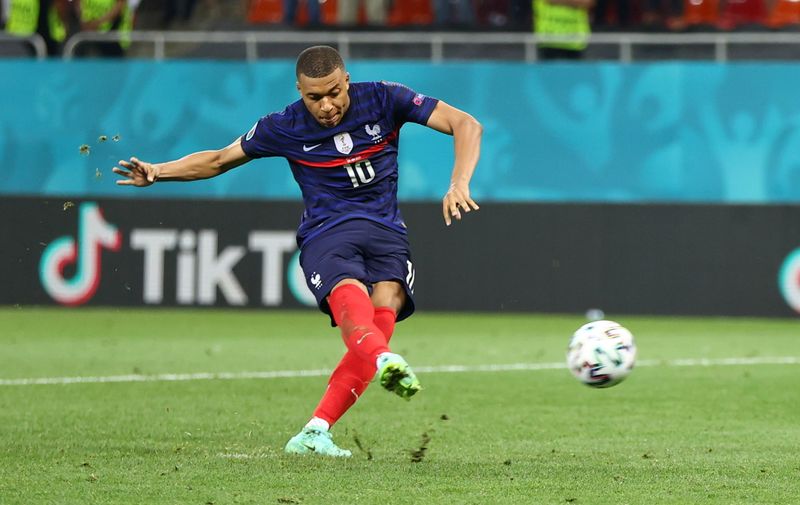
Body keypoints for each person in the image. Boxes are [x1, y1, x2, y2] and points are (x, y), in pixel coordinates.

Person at [113, 45, 483, 457]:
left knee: (388, 305)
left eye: (333, 93)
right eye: (314, 97)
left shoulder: (384, 97)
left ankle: (316, 429)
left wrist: (459, 183)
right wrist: (158, 172)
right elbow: (218, 160)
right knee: (352, 301)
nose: (325, 106)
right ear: (299, 91)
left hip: (387, 233)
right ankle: (381, 357)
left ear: (347, 81)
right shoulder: (284, 125)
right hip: (328, 233)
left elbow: (465, 123)